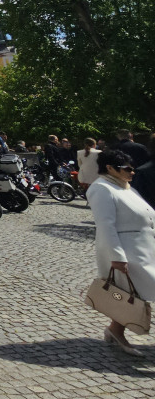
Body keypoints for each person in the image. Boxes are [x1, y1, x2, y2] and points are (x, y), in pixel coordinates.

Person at [86, 149, 155, 356]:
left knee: (133, 295)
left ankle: (115, 331)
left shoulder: (124, 187)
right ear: (109, 168)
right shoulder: (102, 189)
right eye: (127, 168)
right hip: (127, 252)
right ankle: (116, 331)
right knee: (133, 294)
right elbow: (105, 225)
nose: (132, 172)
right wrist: (117, 256)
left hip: (145, 249)